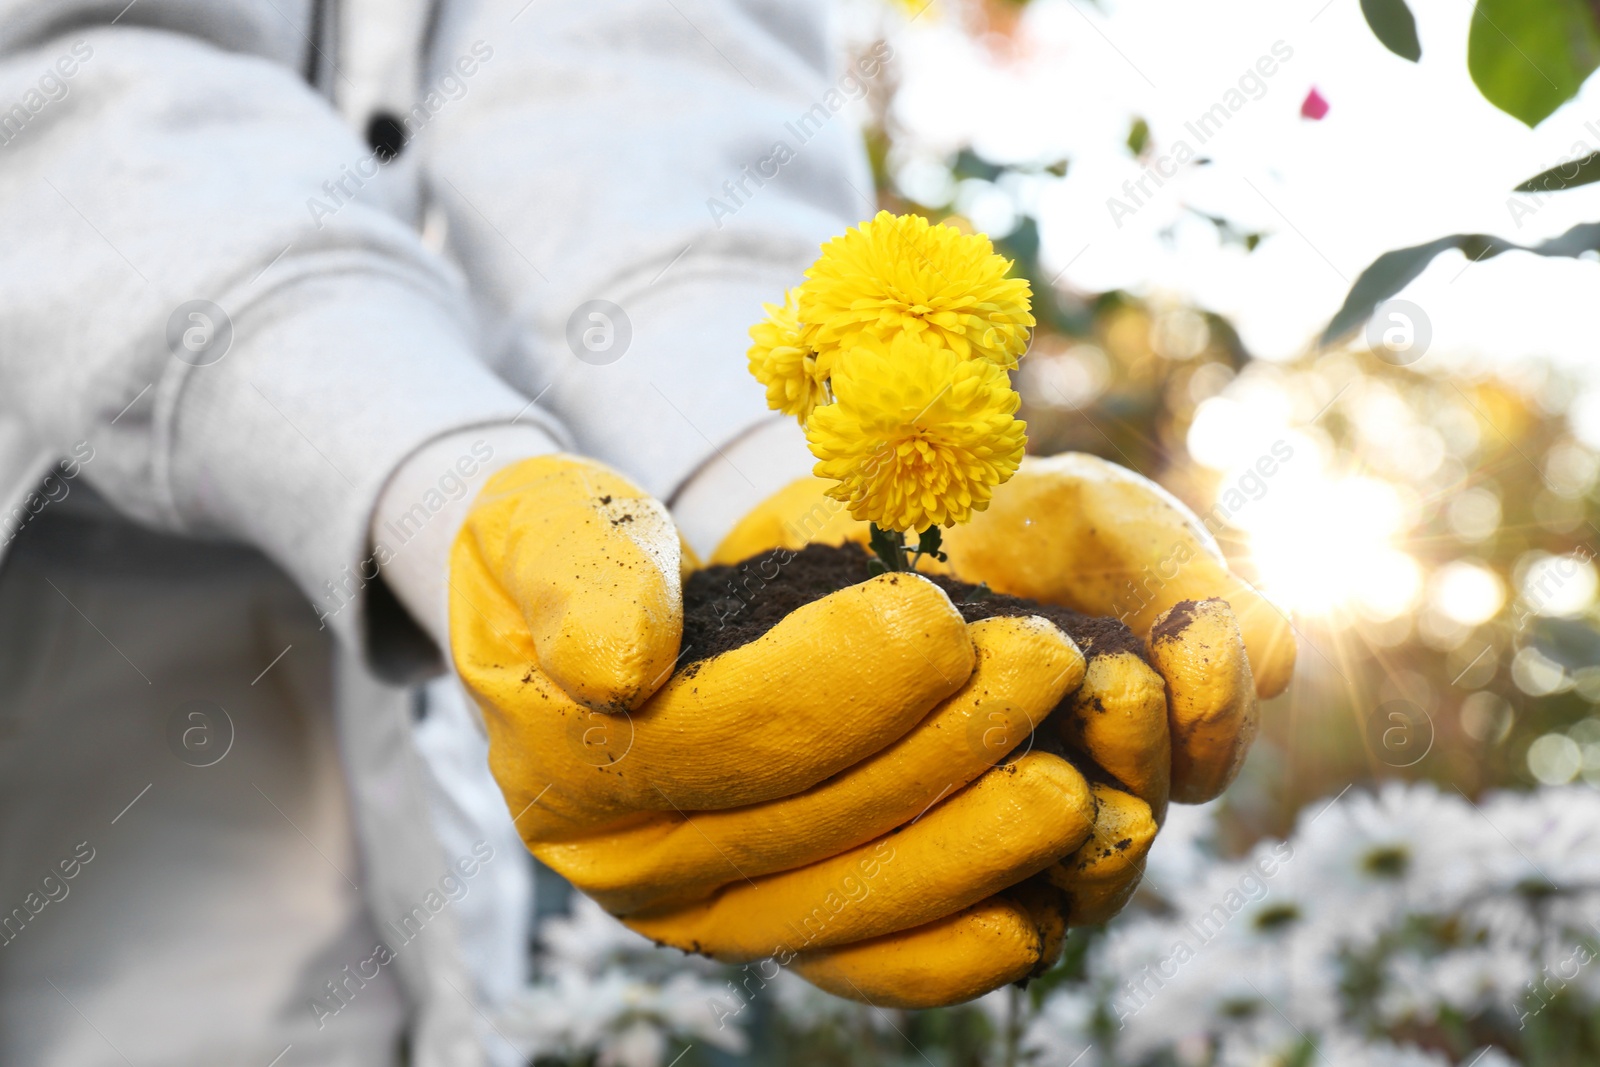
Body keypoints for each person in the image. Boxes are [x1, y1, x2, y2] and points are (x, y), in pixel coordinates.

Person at [0, 2, 1294, 1064]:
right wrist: (423, 470)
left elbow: (642, 91)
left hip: (398, 856)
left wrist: (761, 469)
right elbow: (59, 91)